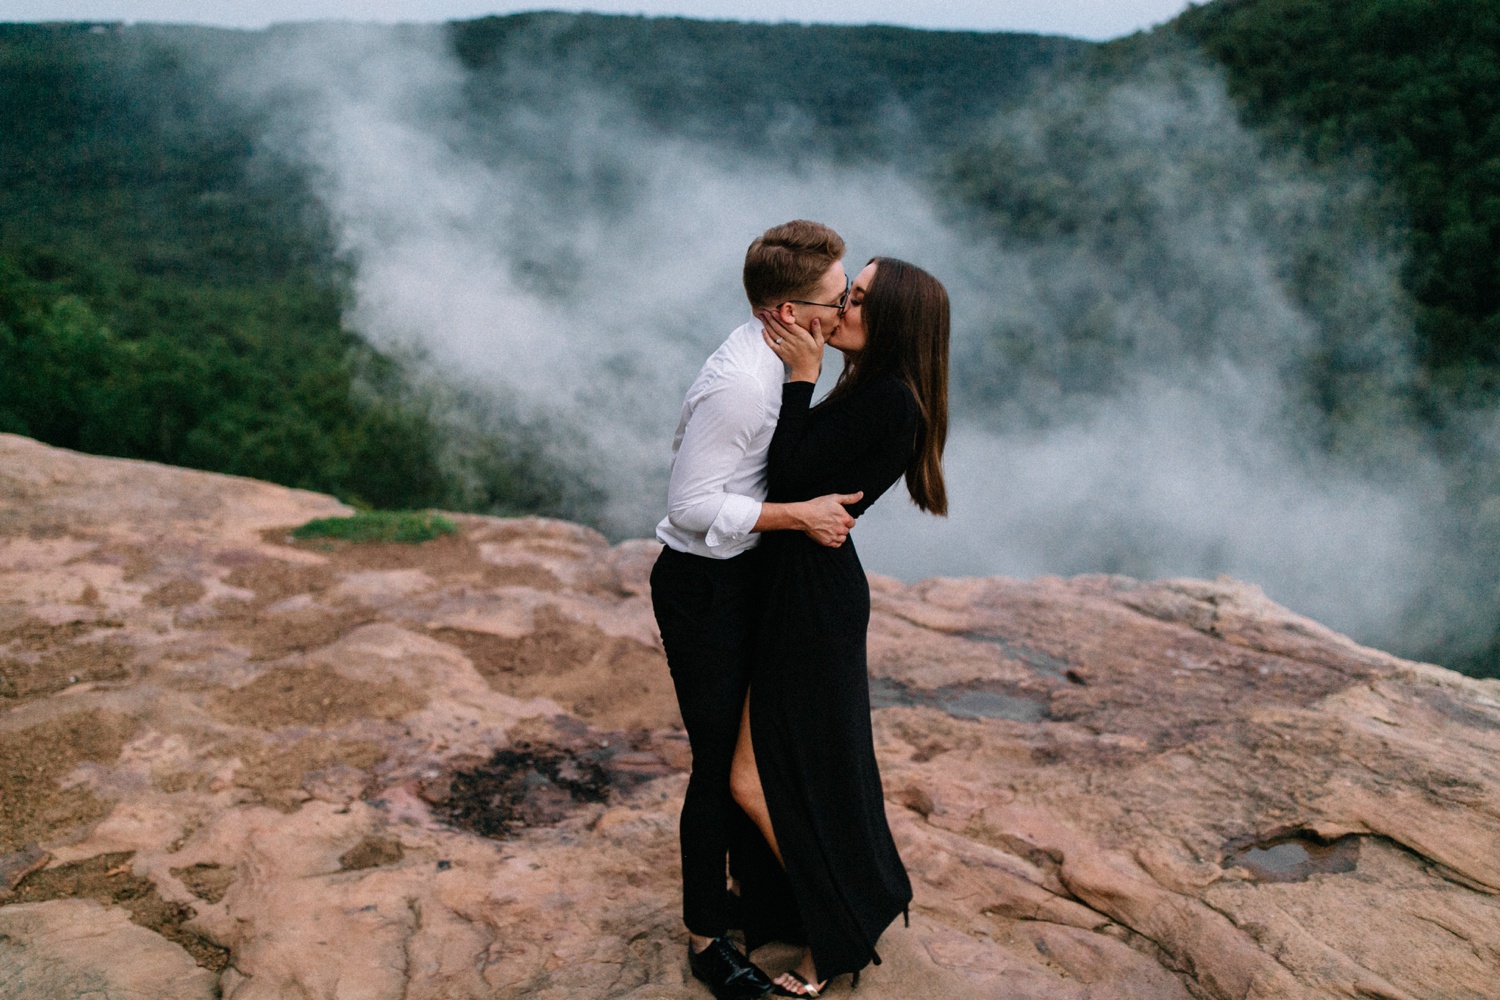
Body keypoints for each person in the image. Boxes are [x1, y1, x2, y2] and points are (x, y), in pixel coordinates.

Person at [650, 220, 868, 1000]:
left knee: (760, 750)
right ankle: (709, 938)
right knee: (716, 768)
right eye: (834, 296)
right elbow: (690, 503)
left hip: (746, 582)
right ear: (784, 310)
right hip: (704, 589)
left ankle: (760, 902)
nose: (845, 306)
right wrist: (797, 515)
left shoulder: (782, 361)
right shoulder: (746, 382)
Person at [730, 257, 950, 997]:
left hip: (811, 604)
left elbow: (789, 477)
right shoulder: (873, 389)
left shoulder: (892, 401)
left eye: (857, 298)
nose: (840, 306)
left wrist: (800, 378)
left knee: (775, 779)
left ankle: (837, 935)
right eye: (845, 292)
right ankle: (825, 905)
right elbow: (794, 480)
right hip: (799, 590)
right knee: (792, 774)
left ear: (893, 320)